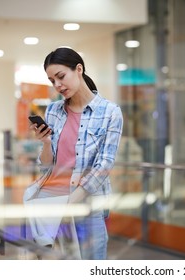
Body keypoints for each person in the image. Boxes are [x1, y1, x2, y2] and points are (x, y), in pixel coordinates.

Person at [23, 47, 123, 260]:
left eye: (61, 77)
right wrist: (47, 143)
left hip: (87, 203)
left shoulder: (110, 112)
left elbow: (105, 164)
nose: (57, 85)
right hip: (52, 199)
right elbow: (47, 165)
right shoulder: (53, 110)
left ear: (79, 69)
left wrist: (72, 202)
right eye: (52, 80)